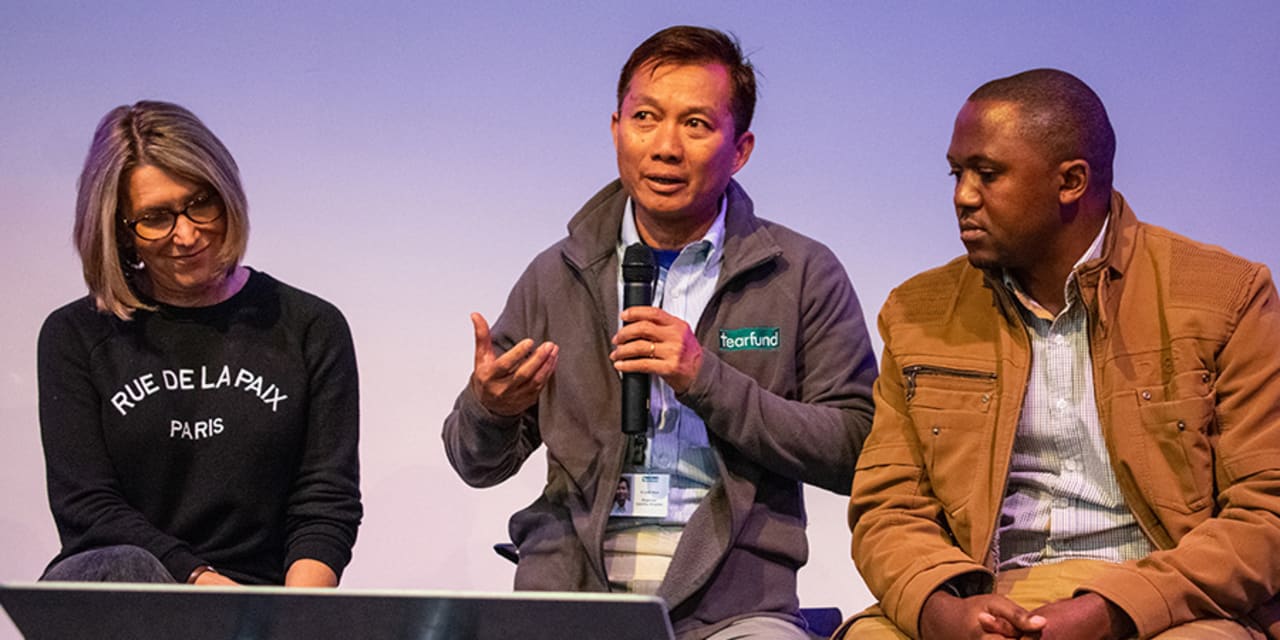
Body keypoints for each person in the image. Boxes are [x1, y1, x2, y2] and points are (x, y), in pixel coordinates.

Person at [443, 25, 877, 639]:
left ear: (741, 147)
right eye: (645, 117)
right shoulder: (557, 273)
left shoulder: (801, 273)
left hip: (737, 611)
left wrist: (707, 379)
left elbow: (856, 448)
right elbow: (473, 463)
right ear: (616, 128)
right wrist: (491, 409)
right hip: (570, 602)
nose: (665, 146)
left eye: (696, 125)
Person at [842, 68, 1280, 639]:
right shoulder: (917, 312)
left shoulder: (1224, 296)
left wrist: (1112, 608)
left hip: (1163, 606)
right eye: (957, 173)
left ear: (1071, 181)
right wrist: (940, 608)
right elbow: (887, 507)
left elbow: (1265, 513)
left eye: (987, 174)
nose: (962, 197)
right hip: (983, 593)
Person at [38, 101, 362, 587]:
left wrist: (291, 619)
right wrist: (201, 586)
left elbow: (324, 501)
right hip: (129, 597)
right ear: (120, 233)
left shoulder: (311, 326)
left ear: (226, 195)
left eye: (199, 203)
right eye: (155, 218)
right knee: (125, 567)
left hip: (258, 603)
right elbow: (88, 506)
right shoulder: (76, 335)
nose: (187, 234)